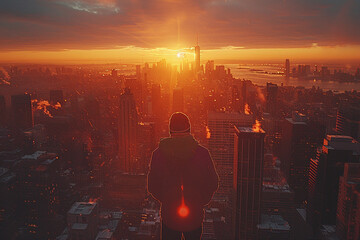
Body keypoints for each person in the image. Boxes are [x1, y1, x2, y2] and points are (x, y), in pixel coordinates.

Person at [148, 112, 219, 240]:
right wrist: (200, 201)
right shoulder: (202, 153)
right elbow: (213, 182)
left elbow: (152, 186)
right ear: (189, 129)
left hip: (169, 217)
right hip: (194, 216)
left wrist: (167, 199)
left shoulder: (158, 154)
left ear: (170, 130)